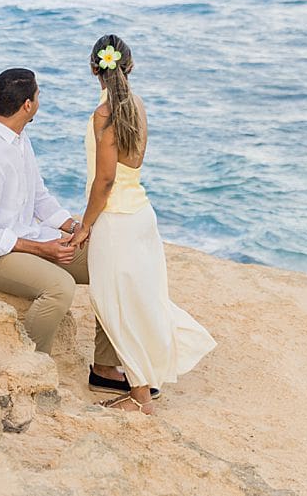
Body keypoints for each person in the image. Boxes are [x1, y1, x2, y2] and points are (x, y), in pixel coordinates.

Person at [0, 67, 151, 398]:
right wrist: (42, 250)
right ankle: (29, 371)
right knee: (60, 286)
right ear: (28, 105)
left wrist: (74, 228)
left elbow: (39, 196)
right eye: (39, 95)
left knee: (109, 261)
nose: (41, 100)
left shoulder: (18, 138)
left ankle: (103, 367)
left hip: (24, 237)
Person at [79, 35, 216, 414]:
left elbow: (104, 182)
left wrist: (84, 225)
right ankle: (142, 384)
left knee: (116, 306)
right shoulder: (136, 105)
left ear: (94, 69)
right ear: (130, 66)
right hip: (141, 216)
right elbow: (131, 166)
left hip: (116, 222)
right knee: (140, 301)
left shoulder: (103, 115)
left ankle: (140, 398)